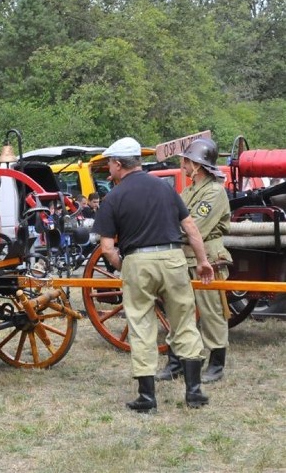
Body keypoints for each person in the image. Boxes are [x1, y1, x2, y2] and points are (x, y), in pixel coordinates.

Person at [92, 136, 214, 413]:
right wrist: (203, 260)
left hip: (138, 261)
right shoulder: (166, 189)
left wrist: (125, 266)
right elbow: (191, 228)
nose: (108, 168)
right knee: (184, 321)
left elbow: (108, 248)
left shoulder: (114, 196)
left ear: (119, 164)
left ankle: (147, 399)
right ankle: (194, 392)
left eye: (110, 163)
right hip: (173, 259)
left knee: (141, 326)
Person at [156, 138, 232, 384]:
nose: (182, 165)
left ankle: (216, 364)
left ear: (197, 165)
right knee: (178, 310)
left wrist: (167, 231)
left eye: (186, 160)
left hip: (207, 258)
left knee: (211, 312)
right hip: (183, 258)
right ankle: (176, 361)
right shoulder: (188, 191)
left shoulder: (214, 192)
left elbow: (196, 226)